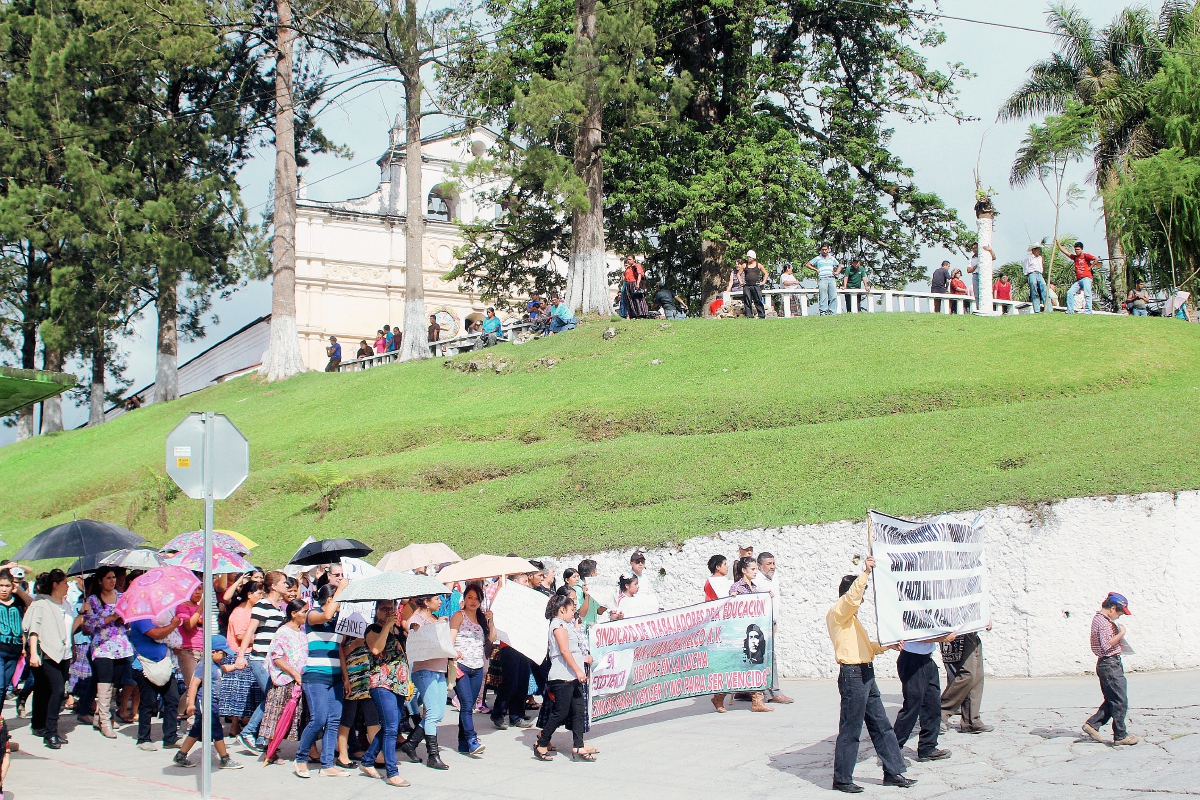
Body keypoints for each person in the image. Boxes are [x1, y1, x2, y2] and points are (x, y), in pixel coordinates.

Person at [827, 557, 912, 793]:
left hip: (865, 673)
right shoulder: (838, 612)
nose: (861, 600)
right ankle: (842, 778)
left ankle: (893, 771)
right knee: (851, 729)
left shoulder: (851, 621)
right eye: (860, 594)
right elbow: (852, 598)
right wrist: (865, 573)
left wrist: (887, 645)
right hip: (852, 675)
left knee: (881, 725)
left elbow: (866, 649)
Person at [294, 578, 350, 778]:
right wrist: (340, 588)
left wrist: (345, 677)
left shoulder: (337, 621)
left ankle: (327, 764)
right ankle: (301, 758)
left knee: (334, 720)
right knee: (318, 719)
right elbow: (326, 614)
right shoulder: (313, 615)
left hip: (335, 677)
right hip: (316, 675)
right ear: (329, 599)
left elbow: (339, 650)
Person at [534, 591, 594, 761]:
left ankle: (578, 745)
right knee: (560, 712)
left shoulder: (567, 625)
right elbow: (564, 650)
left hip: (573, 675)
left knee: (578, 711)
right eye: (571, 610)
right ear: (562, 609)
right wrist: (578, 670)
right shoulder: (557, 625)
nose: (573, 613)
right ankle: (542, 743)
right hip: (562, 676)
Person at [359, 600, 413, 787]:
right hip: (381, 683)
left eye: (391, 608)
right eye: (384, 609)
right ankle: (392, 772)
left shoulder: (396, 631)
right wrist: (387, 626)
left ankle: (368, 760)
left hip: (398, 684)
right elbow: (376, 649)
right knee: (390, 728)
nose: (388, 612)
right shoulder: (372, 629)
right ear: (376, 611)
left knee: (392, 725)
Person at [171, 635, 244, 770]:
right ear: (212, 652)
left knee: (197, 729)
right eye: (222, 653)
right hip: (205, 703)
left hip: (212, 702)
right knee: (216, 729)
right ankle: (224, 758)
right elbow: (194, 685)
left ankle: (181, 755)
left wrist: (235, 666)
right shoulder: (204, 666)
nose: (224, 657)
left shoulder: (215, 665)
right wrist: (191, 704)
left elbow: (222, 669)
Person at [236, 570, 288, 753]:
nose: (287, 585)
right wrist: (241, 655)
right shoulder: (262, 605)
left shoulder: (278, 607)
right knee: (272, 697)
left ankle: (261, 738)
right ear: (273, 586)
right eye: (284, 582)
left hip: (272, 659)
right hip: (259, 658)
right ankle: (248, 732)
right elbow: (250, 631)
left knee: (273, 698)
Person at [24, 569, 76, 749]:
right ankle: (50, 732)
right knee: (58, 690)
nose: (68, 586)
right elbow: (34, 630)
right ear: (55, 585)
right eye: (65, 583)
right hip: (49, 653)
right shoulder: (42, 604)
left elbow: (70, 627)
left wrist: (82, 615)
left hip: (65, 653)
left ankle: (47, 727)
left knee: (50, 691)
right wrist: (33, 653)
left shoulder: (66, 604)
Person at [82, 566, 134, 738]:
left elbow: (129, 619)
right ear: (100, 581)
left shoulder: (121, 597)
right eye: (108, 578)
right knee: (104, 682)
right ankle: (105, 721)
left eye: (113, 577)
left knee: (115, 683)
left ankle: (100, 716)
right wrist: (111, 618)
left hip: (121, 646)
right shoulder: (93, 600)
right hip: (102, 647)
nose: (112, 581)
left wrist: (124, 619)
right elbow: (88, 625)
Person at [891, 632, 957, 763]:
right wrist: (942, 638)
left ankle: (927, 747)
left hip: (927, 659)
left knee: (933, 705)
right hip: (912, 660)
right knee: (912, 707)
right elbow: (919, 635)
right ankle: (892, 751)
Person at [1082, 592, 1138, 746]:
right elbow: (1107, 645)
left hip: (1106, 664)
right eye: (1119, 613)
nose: (1118, 617)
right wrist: (1122, 633)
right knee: (1120, 700)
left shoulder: (1098, 619)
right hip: (1110, 664)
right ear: (1113, 608)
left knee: (1113, 699)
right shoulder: (1104, 622)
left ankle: (1093, 724)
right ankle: (1120, 735)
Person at [402, 595, 450, 770]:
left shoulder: (436, 618)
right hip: (424, 670)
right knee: (432, 713)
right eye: (436, 599)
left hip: (439, 669)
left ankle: (411, 743)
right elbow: (415, 635)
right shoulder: (417, 619)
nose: (440, 602)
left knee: (438, 714)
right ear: (426, 602)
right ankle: (433, 755)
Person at [261, 599, 308, 767]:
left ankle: (309, 750)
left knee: (301, 716)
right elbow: (277, 657)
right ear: (293, 614)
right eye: (303, 611)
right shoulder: (283, 632)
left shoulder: (302, 632)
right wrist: (294, 673)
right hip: (284, 679)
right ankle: (271, 751)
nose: (306, 615)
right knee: (278, 715)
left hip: (299, 679)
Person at [450, 584, 495, 756]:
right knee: (467, 704)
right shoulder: (458, 616)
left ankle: (463, 743)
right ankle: (472, 739)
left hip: (477, 666)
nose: (473, 601)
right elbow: (450, 640)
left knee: (468, 706)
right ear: (464, 599)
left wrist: (491, 620)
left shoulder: (482, 618)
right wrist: (454, 653)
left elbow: (492, 638)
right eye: (470, 597)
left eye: (477, 598)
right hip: (462, 666)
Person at [129, 610, 182, 751]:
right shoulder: (140, 617)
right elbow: (156, 634)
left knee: (172, 699)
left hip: (164, 664)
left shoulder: (157, 617)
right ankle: (143, 738)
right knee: (148, 703)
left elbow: (164, 637)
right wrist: (173, 625)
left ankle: (170, 737)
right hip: (145, 665)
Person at [724, 558, 772, 713]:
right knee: (738, 668)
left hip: (754, 631)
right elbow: (731, 606)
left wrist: (767, 597)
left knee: (756, 665)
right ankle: (719, 696)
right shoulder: (736, 587)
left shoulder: (755, 587)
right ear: (744, 570)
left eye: (755, 569)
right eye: (752, 569)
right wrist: (733, 597)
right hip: (741, 634)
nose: (755, 572)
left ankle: (757, 701)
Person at [219, 580, 262, 736]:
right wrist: (262, 638)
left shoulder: (254, 611)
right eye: (259, 593)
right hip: (239, 655)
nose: (261, 596)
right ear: (249, 594)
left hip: (251, 654)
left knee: (248, 694)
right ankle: (235, 725)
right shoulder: (240, 612)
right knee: (239, 694)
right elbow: (240, 636)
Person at [940, 622, 994, 734]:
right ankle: (938, 714)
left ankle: (971, 721)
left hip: (972, 632)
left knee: (977, 677)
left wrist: (985, 619)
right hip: (956, 634)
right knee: (966, 675)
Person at [755, 552, 793, 704]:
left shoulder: (773, 577)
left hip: (771, 623)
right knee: (766, 658)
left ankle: (769, 691)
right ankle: (771, 691)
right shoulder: (757, 580)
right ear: (759, 566)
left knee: (769, 658)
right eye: (768, 564)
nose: (772, 567)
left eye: (773, 563)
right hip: (761, 625)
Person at [0, 569, 30, 713]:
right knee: (0, 686)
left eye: (7, 586)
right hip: (0, 649)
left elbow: (31, 604)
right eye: (1, 585)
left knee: (5, 686)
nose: (4, 589)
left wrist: (20, 592)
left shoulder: (18, 601)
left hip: (14, 650)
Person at [174, 585, 204, 722]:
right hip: (188, 650)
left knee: (198, 687)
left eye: (200, 589)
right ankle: (179, 716)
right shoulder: (182, 607)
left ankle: (183, 715)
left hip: (201, 649)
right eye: (195, 589)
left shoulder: (200, 607)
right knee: (192, 686)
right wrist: (200, 608)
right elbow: (188, 625)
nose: (198, 592)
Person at [1061, 241, 1099, 314]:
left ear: (1081, 249)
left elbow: (1096, 259)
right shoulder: (1075, 257)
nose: (1076, 251)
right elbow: (1066, 252)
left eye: (1078, 249)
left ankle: (1088, 311)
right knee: (1070, 292)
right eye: (1075, 249)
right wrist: (1058, 244)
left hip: (1086, 278)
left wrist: (1090, 267)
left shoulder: (1086, 256)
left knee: (1087, 294)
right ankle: (1070, 310)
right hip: (1079, 280)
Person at [808, 244, 841, 315]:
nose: (824, 251)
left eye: (825, 249)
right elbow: (808, 264)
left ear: (828, 249)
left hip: (831, 278)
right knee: (823, 296)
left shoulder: (832, 258)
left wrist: (837, 272)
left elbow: (839, 265)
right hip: (822, 278)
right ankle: (823, 312)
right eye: (823, 249)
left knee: (833, 296)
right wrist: (816, 269)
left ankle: (833, 312)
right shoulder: (818, 258)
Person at [574, 560, 603, 631]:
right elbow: (581, 614)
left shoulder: (594, 588)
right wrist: (587, 596)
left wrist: (609, 600)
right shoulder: (577, 589)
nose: (597, 574)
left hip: (593, 629)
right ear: (592, 574)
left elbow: (599, 611)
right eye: (596, 571)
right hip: (582, 630)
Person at [742, 250, 767, 318]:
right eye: (748, 257)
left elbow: (766, 273)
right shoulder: (744, 265)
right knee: (747, 301)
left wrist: (763, 282)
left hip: (756, 285)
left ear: (753, 257)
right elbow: (739, 274)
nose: (748, 258)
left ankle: (761, 315)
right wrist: (741, 282)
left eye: (750, 257)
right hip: (747, 286)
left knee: (758, 300)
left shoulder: (758, 265)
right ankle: (749, 315)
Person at [1023, 246, 1049, 313]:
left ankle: (1048, 308)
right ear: (1033, 250)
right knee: (1034, 289)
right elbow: (1025, 268)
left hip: (1039, 274)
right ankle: (1037, 309)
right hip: (1032, 273)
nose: (1038, 251)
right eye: (1037, 249)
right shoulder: (1028, 258)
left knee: (1044, 288)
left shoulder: (1040, 258)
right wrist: (1028, 275)